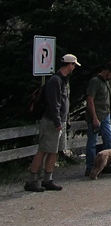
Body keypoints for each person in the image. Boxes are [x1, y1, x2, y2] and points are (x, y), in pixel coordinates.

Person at [24, 54, 80, 192]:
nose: (74, 68)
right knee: (43, 150)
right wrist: (57, 121)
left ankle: (48, 179)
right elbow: (53, 103)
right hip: (52, 121)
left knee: (54, 151)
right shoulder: (55, 80)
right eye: (73, 65)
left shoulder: (63, 80)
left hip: (60, 120)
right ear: (69, 65)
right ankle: (32, 180)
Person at [84, 61, 111, 177]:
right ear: (107, 71)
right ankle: (90, 167)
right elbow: (90, 100)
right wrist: (94, 117)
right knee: (92, 142)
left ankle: (105, 164)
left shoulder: (106, 82)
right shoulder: (95, 81)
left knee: (109, 139)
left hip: (105, 115)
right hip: (96, 116)